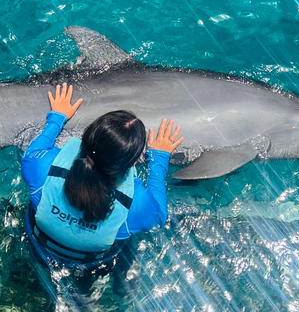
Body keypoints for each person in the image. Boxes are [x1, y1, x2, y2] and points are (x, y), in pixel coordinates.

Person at [21, 83, 183, 269]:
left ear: (85, 139)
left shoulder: (41, 166)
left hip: (36, 243)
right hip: (89, 265)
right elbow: (159, 216)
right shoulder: (137, 205)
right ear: (132, 164)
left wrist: (57, 118)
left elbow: (32, 152)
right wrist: (158, 159)